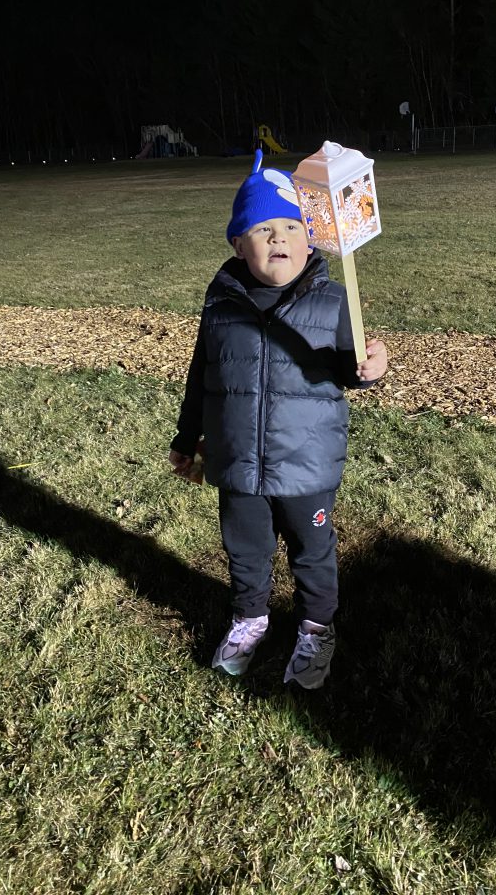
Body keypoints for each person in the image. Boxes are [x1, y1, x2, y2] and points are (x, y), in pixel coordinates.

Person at [169, 150, 387, 689]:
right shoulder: (221, 304)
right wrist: (185, 436)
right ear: (238, 244)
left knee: (312, 552)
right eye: (262, 229)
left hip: (305, 463)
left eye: (291, 226)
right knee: (244, 548)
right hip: (237, 460)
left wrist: (368, 369)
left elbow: (347, 368)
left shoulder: (333, 301)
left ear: (309, 237)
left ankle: (316, 629)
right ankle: (250, 618)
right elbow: (203, 374)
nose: (278, 239)